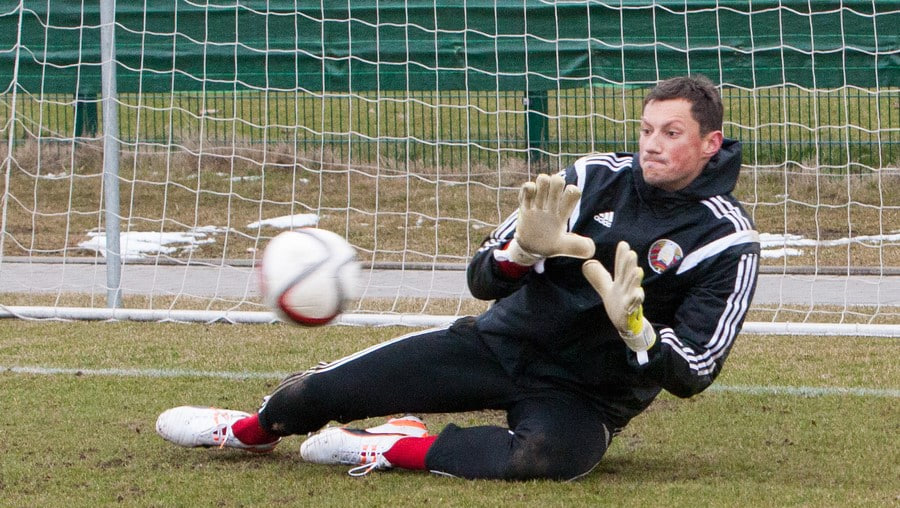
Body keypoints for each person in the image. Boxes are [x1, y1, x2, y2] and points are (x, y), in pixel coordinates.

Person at [156, 75, 760, 481]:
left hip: (586, 393)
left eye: (671, 134)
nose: (651, 145)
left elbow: (695, 371)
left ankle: (389, 445)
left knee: (548, 459)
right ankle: (247, 430)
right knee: (312, 397)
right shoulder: (590, 178)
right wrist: (521, 252)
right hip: (500, 345)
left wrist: (638, 333)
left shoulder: (727, 240)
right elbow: (481, 278)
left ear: (710, 143)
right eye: (647, 130)